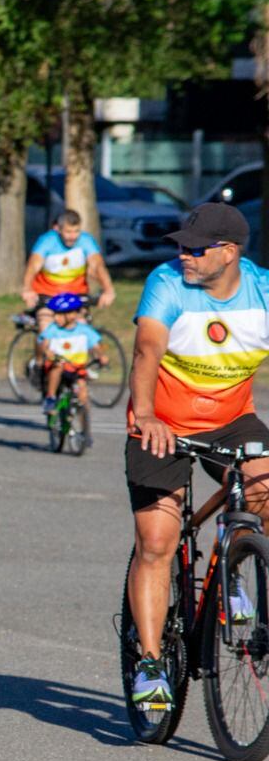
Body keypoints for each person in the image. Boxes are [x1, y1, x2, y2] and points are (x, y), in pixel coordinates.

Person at [126, 203, 269, 705]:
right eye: (181, 246)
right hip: (161, 422)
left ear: (229, 253)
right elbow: (147, 350)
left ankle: (240, 566)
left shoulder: (263, 292)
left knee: (266, 489)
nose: (182, 255)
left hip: (231, 420)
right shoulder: (166, 283)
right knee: (158, 541)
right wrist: (145, 415)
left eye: (195, 248)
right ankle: (149, 663)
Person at [22, 209, 116, 325]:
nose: (72, 236)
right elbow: (33, 266)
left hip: (76, 293)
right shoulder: (47, 241)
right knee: (46, 328)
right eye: (68, 232)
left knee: (81, 327)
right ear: (58, 229)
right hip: (47, 294)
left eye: (76, 231)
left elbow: (98, 265)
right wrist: (27, 289)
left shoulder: (86, 240)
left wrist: (108, 290)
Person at [36, 293, 108, 427]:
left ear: (73, 314)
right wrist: (47, 352)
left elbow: (96, 344)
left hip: (77, 368)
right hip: (59, 365)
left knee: (83, 393)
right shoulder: (53, 329)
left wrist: (101, 355)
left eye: (60, 314)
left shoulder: (83, 330)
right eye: (55, 314)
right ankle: (50, 397)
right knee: (57, 368)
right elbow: (44, 343)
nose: (56, 318)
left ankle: (84, 427)